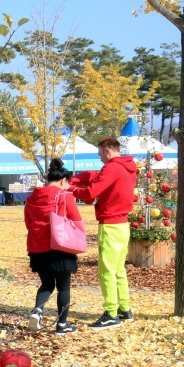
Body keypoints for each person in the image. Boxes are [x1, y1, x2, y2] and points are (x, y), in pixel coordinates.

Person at [70, 137, 137, 330]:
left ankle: (111, 314)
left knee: (106, 271)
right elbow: (95, 175)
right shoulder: (127, 167)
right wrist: (78, 179)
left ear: (107, 151)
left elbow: (91, 192)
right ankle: (124, 309)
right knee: (118, 270)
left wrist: (72, 189)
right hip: (123, 224)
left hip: (110, 224)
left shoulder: (111, 168)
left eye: (100, 154)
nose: (100, 159)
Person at [25, 158, 83, 335]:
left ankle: (37, 311)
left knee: (47, 284)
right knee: (63, 287)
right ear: (63, 180)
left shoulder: (31, 198)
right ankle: (62, 325)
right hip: (60, 247)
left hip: (38, 249)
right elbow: (77, 220)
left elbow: (28, 223)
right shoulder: (65, 196)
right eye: (68, 183)